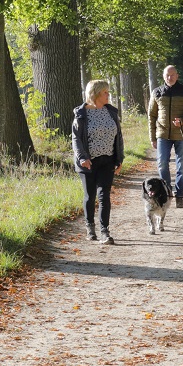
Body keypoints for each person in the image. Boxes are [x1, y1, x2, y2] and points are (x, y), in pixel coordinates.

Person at [71, 79, 124, 244]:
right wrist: (82, 158)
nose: (108, 95)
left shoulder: (111, 112)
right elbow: (76, 138)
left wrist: (119, 159)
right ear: (95, 94)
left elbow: (119, 137)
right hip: (88, 162)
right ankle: (90, 227)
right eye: (105, 92)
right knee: (90, 195)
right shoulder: (82, 114)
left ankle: (105, 231)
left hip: (107, 160)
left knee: (104, 196)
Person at [148, 65, 183, 208]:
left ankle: (180, 195)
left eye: (172, 75)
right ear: (163, 76)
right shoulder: (157, 92)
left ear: (177, 76)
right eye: (167, 75)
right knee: (162, 164)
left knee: (181, 167)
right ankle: (167, 192)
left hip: (181, 135)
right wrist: (152, 137)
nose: (169, 77)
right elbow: (152, 115)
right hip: (162, 135)